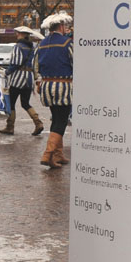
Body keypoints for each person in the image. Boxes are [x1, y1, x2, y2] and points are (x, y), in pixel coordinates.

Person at [35, 12, 74, 168]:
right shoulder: (67, 43)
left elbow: (35, 66)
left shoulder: (41, 44)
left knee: (55, 118)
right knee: (61, 120)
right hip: (63, 86)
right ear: (61, 26)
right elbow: (75, 62)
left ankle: (58, 155)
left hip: (46, 86)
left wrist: (39, 81)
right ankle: (48, 154)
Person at [0, 26, 44, 136]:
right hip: (28, 79)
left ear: (22, 35)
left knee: (11, 102)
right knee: (25, 103)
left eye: (18, 33)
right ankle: (38, 123)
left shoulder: (17, 47)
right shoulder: (32, 48)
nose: (16, 35)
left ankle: (10, 127)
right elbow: (35, 65)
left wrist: (6, 72)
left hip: (17, 79)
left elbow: (15, 63)